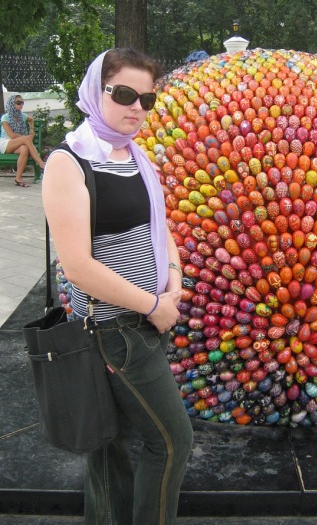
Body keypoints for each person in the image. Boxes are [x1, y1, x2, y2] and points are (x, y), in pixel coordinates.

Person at [42, 48, 193, 525]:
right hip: (115, 331)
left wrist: (174, 278)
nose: (137, 107)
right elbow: (77, 266)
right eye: (125, 94)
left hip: (146, 321)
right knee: (172, 441)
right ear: (96, 91)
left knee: (111, 444)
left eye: (147, 99)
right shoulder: (69, 162)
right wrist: (152, 305)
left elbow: (159, 227)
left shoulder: (135, 155)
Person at [0, 93, 46, 187]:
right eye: (18, 102)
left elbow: (31, 119)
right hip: (5, 143)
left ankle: (18, 178)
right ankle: (41, 163)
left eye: (22, 102)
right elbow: (12, 135)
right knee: (26, 139)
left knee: (24, 148)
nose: (21, 104)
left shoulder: (22, 116)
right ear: (12, 103)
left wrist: (31, 129)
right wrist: (25, 137)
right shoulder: (5, 117)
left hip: (17, 143)